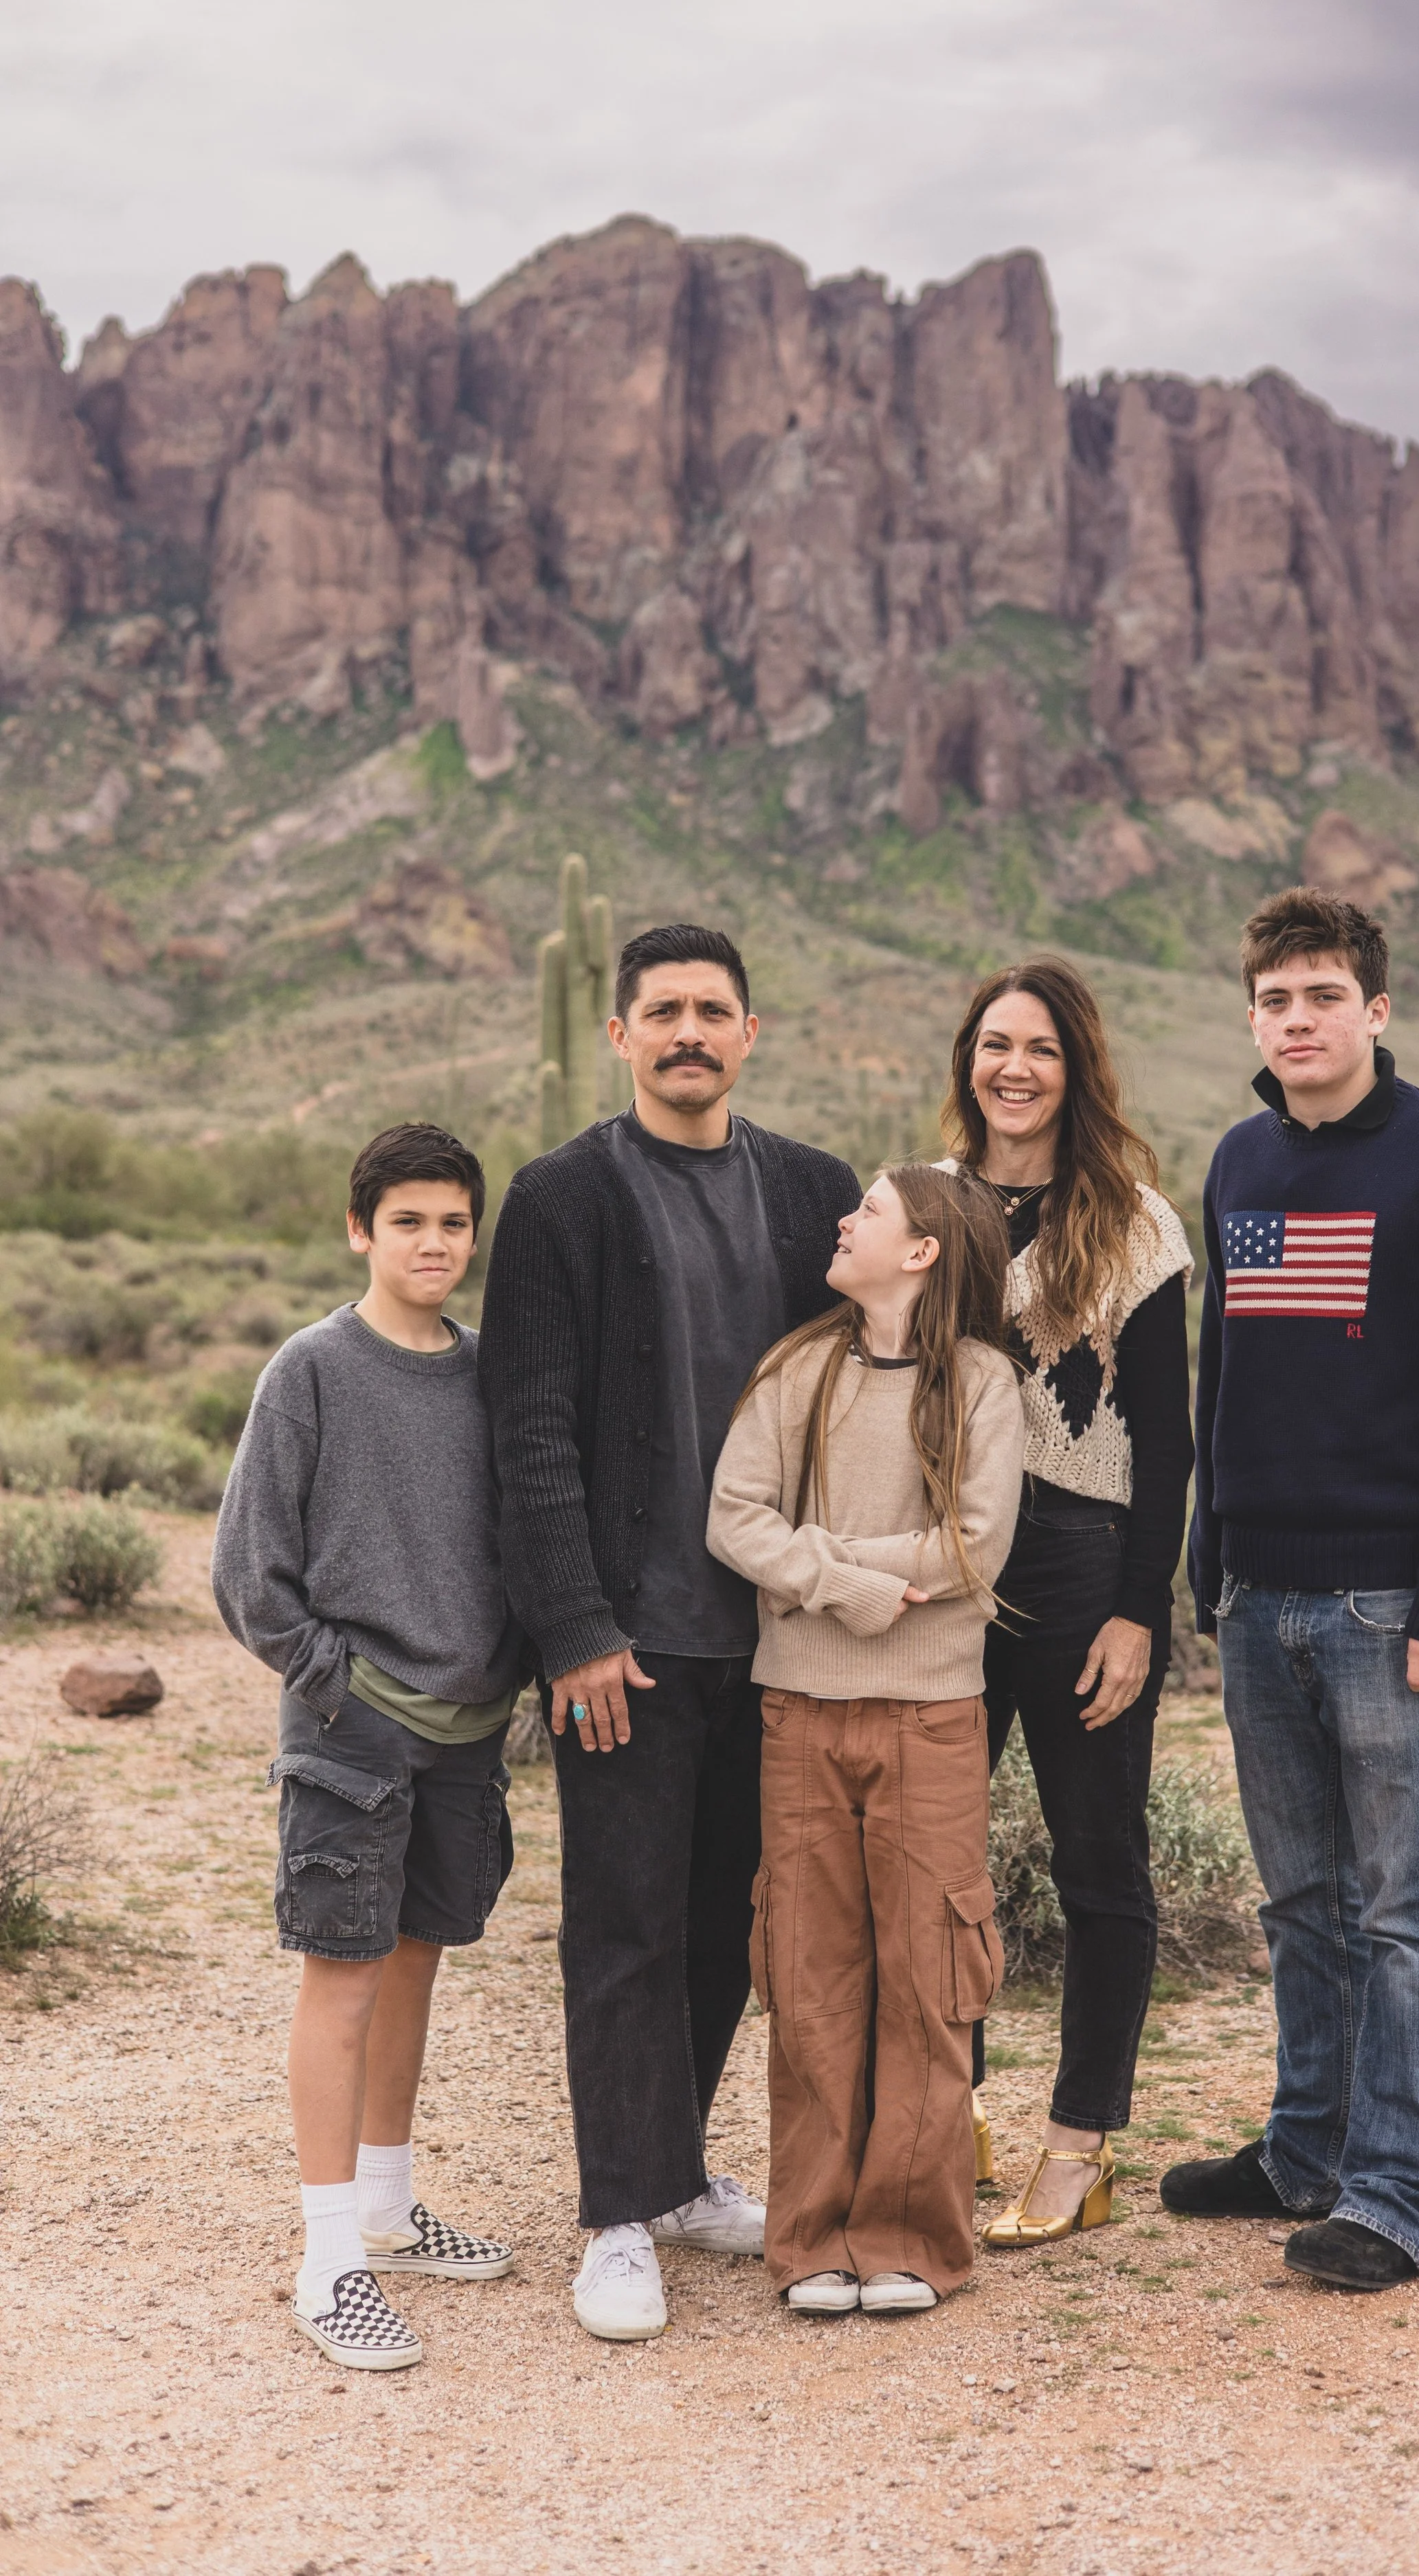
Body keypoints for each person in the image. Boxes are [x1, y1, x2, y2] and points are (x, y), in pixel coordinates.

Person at [476, 923, 860, 2342]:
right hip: (626, 1641)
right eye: (663, 1011)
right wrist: (573, 1628)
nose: (688, 1031)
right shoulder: (560, 1198)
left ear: (749, 1033)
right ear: (619, 1034)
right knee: (623, 1923)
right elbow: (528, 1430)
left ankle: (678, 2173)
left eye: (712, 1010)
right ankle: (618, 2217)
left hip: (779, 1642)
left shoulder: (813, 1191)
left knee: (721, 1922)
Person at [1170, 887, 1419, 2290]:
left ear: (1374, 1011)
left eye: (1324, 996)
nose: (1299, 1020)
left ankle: (1395, 2195)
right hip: (1257, 1592)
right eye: (1275, 1000)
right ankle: (1305, 2149)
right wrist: (1209, 1554)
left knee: (1401, 1908)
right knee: (1299, 1900)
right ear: (1250, 1019)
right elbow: (1227, 1368)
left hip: (1386, 1602)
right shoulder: (1240, 1159)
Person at [212, 1123, 526, 2373]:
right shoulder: (312, 1369)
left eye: (453, 1222)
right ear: (361, 1230)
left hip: (468, 1727)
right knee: (342, 1973)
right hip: (353, 1729)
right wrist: (333, 1677)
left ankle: (390, 2207)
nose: (433, 1243)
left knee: (415, 1959)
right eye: (408, 1222)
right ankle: (329, 2259)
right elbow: (248, 1570)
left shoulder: (491, 1371)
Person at [708, 1163, 1025, 2312]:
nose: (844, 1221)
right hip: (799, 1711)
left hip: (933, 1715)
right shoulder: (796, 1369)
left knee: (929, 1976)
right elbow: (734, 1516)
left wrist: (823, 1567)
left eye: (872, 1211)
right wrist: (853, 1584)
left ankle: (909, 2239)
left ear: (924, 1250)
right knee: (810, 1977)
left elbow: (975, 1546)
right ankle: (809, 2239)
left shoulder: (983, 1383)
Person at [942, 957, 1194, 2246]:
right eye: (997, 1044)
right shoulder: (925, 1203)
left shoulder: (1134, 1226)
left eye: (1041, 1048)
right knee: (940, 1861)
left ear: (1076, 1068)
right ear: (968, 1061)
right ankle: (952, 2111)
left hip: (1083, 1561)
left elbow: (1169, 1439)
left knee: (1099, 1862)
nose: (1016, 1068)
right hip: (951, 1565)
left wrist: (1140, 1609)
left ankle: (1080, 2142)